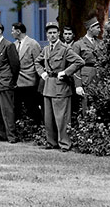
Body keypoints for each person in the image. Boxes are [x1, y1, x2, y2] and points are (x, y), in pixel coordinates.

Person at [38, 23, 84, 152]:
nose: (52, 35)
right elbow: (37, 61)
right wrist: (42, 72)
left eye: (54, 33)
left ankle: (65, 143)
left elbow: (80, 61)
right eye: (49, 33)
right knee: (48, 119)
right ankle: (51, 142)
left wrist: (65, 72)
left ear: (58, 34)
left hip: (61, 87)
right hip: (48, 86)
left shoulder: (65, 49)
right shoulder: (46, 49)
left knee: (62, 118)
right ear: (46, 35)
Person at [11, 22, 42, 124]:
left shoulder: (33, 44)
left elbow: (38, 63)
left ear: (18, 31)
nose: (12, 33)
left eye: (13, 31)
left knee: (32, 107)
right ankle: (20, 130)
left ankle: (37, 128)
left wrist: (38, 83)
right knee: (16, 108)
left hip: (30, 82)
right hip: (17, 83)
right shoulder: (14, 45)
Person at [72, 18, 103, 116]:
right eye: (97, 27)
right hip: (86, 78)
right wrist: (78, 85)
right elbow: (75, 66)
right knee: (86, 105)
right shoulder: (78, 44)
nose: (99, 30)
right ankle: (86, 126)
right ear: (90, 28)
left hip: (99, 77)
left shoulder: (100, 43)